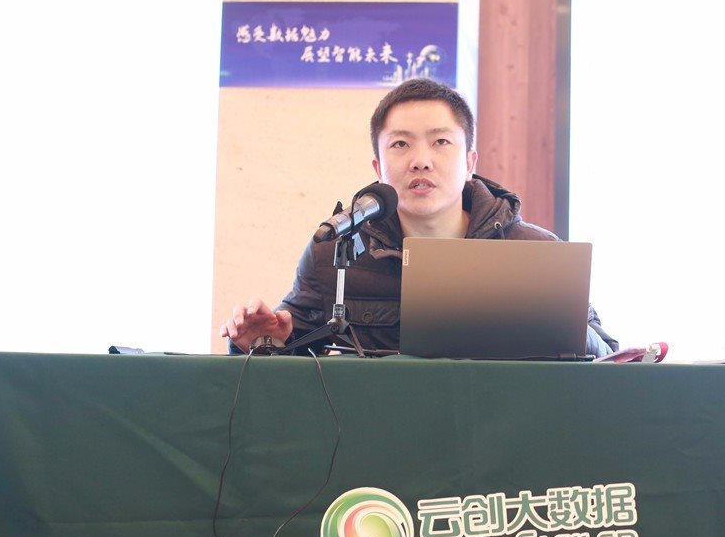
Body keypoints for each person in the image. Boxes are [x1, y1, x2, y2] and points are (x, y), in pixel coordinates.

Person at [219, 78, 617, 356]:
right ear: (378, 167)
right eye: (400, 144)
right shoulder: (335, 253)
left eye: (441, 141)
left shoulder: (534, 251)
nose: (421, 161)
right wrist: (260, 342)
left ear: (469, 163)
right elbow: (289, 357)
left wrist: (558, 321)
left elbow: (609, 360)